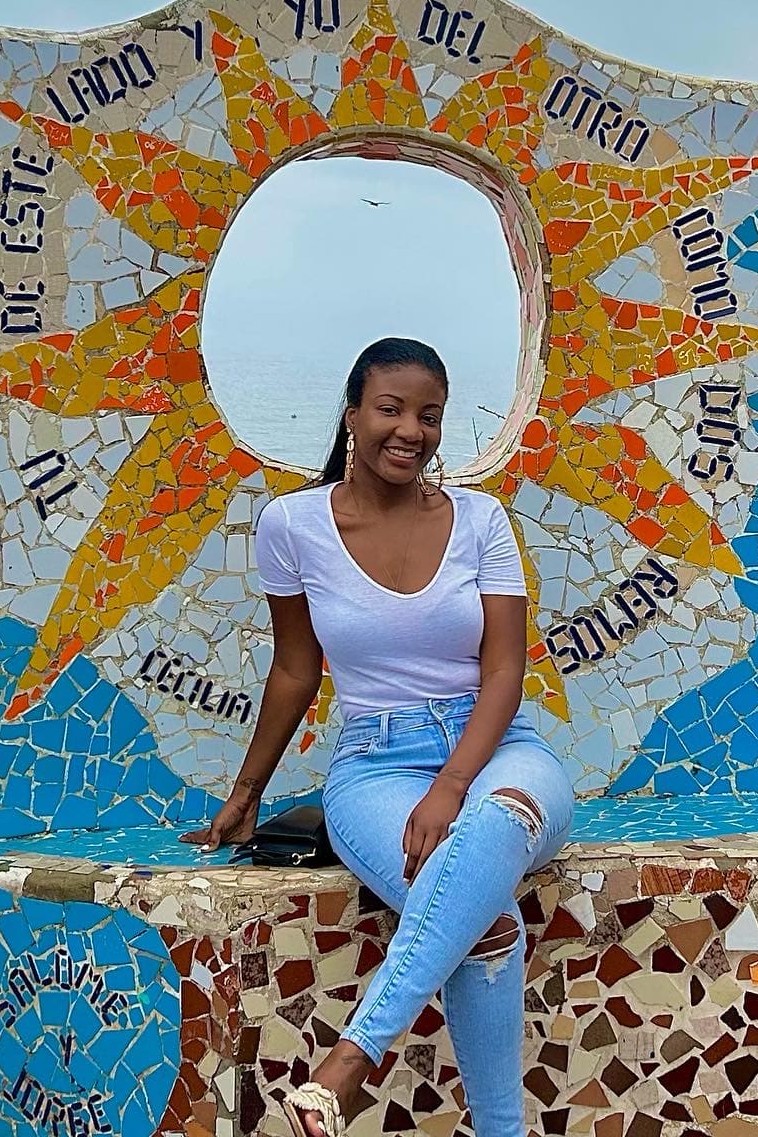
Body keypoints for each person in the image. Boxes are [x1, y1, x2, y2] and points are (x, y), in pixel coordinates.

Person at [182, 337, 574, 1137]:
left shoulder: (480, 519)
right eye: (390, 409)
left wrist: (453, 785)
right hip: (375, 764)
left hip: (499, 750)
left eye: (428, 416)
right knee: (486, 922)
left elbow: (504, 673)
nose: (410, 431)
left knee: (500, 820)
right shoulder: (292, 525)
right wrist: (247, 791)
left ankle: (348, 1062)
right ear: (354, 413)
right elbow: (296, 668)